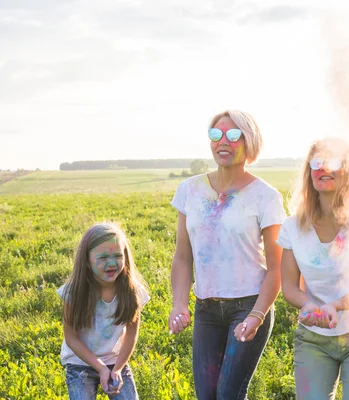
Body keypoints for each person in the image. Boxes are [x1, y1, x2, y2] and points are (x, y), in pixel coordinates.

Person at [169, 110, 286, 399]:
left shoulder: (266, 197)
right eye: (216, 134)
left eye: (234, 135)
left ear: (250, 143)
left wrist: (257, 316)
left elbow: (277, 267)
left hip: (247, 307)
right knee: (206, 397)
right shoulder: (190, 190)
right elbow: (183, 256)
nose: (224, 141)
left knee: (229, 395)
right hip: (206, 309)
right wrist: (179, 304)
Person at [278, 137, 349, 400]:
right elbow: (290, 287)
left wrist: (335, 306)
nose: (323, 168)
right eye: (317, 162)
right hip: (313, 339)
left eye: (333, 162)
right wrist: (309, 306)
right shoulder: (293, 227)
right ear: (309, 171)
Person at [58, 222, 149, 399]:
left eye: (117, 255)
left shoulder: (132, 291)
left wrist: (118, 369)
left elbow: (131, 335)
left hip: (115, 362)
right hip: (79, 363)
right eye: (103, 257)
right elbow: (71, 337)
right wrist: (100, 368)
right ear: (86, 260)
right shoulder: (74, 292)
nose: (112, 263)